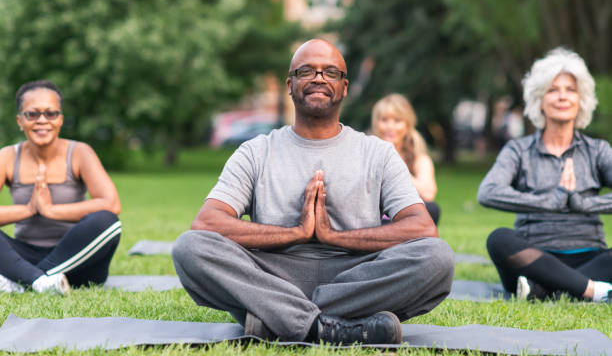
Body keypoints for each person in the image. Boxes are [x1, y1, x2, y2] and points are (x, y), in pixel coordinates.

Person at [172, 39, 454, 345]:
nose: (319, 78)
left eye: (330, 73)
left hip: (357, 275)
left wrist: (334, 237)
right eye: (307, 71)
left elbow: (422, 227)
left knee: (437, 258)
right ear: (290, 85)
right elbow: (208, 223)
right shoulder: (255, 151)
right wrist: (296, 233)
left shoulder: (378, 153)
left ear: (344, 87)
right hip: (272, 275)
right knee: (191, 247)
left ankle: (277, 320)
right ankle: (333, 327)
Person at [478, 48, 612, 302]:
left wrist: (584, 204)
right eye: (552, 90)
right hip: (533, 257)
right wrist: (549, 201)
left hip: (591, 255)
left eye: (570, 90)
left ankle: (543, 290)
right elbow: (488, 192)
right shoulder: (518, 150)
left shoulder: (598, 150)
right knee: (499, 239)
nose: (562, 96)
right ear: (539, 100)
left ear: (581, 99)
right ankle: (593, 290)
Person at [0, 80, 122, 295]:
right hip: (24, 254)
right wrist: (29, 209)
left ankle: (26, 280)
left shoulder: (79, 152)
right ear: (20, 121)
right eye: (32, 114)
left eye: (51, 113)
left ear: (61, 120)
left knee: (107, 221)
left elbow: (111, 203)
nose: (42, 120)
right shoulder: (8, 156)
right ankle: (38, 281)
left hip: (78, 262)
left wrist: (50, 210)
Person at [371, 94, 440, 224]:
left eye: (397, 121)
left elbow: (428, 194)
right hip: (375, 217)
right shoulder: (367, 153)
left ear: (407, 125)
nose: (390, 126)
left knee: (432, 209)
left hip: (403, 216)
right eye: (384, 120)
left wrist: (393, 165)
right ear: (376, 123)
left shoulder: (420, 159)